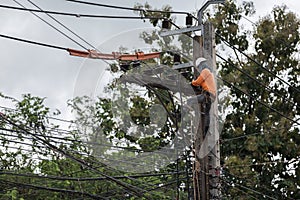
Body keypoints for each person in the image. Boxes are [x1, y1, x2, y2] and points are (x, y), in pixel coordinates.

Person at [188, 57, 216, 136]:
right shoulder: (209, 73)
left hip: (207, 94)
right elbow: (202, 83)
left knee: (189, 101)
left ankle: (181, 114)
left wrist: (192, 82)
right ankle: (206, 132)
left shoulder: (205, 71)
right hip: (211, 96)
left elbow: (198, 81)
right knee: (207, 113)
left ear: (201, 65)